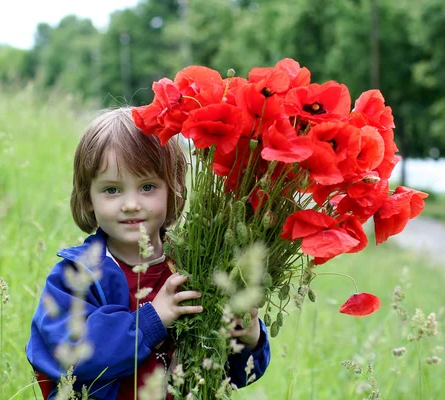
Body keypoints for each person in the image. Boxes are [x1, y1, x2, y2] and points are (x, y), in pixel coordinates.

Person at [26, 107, 271, 399]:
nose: (131, 204)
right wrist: (152, 319)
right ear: (87, 197)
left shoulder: (193, 266)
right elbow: (71, 359)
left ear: (174, 189)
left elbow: (225, 373)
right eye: (112, 190)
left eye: (147, 186)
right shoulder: (75, 276)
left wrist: (250, 338)